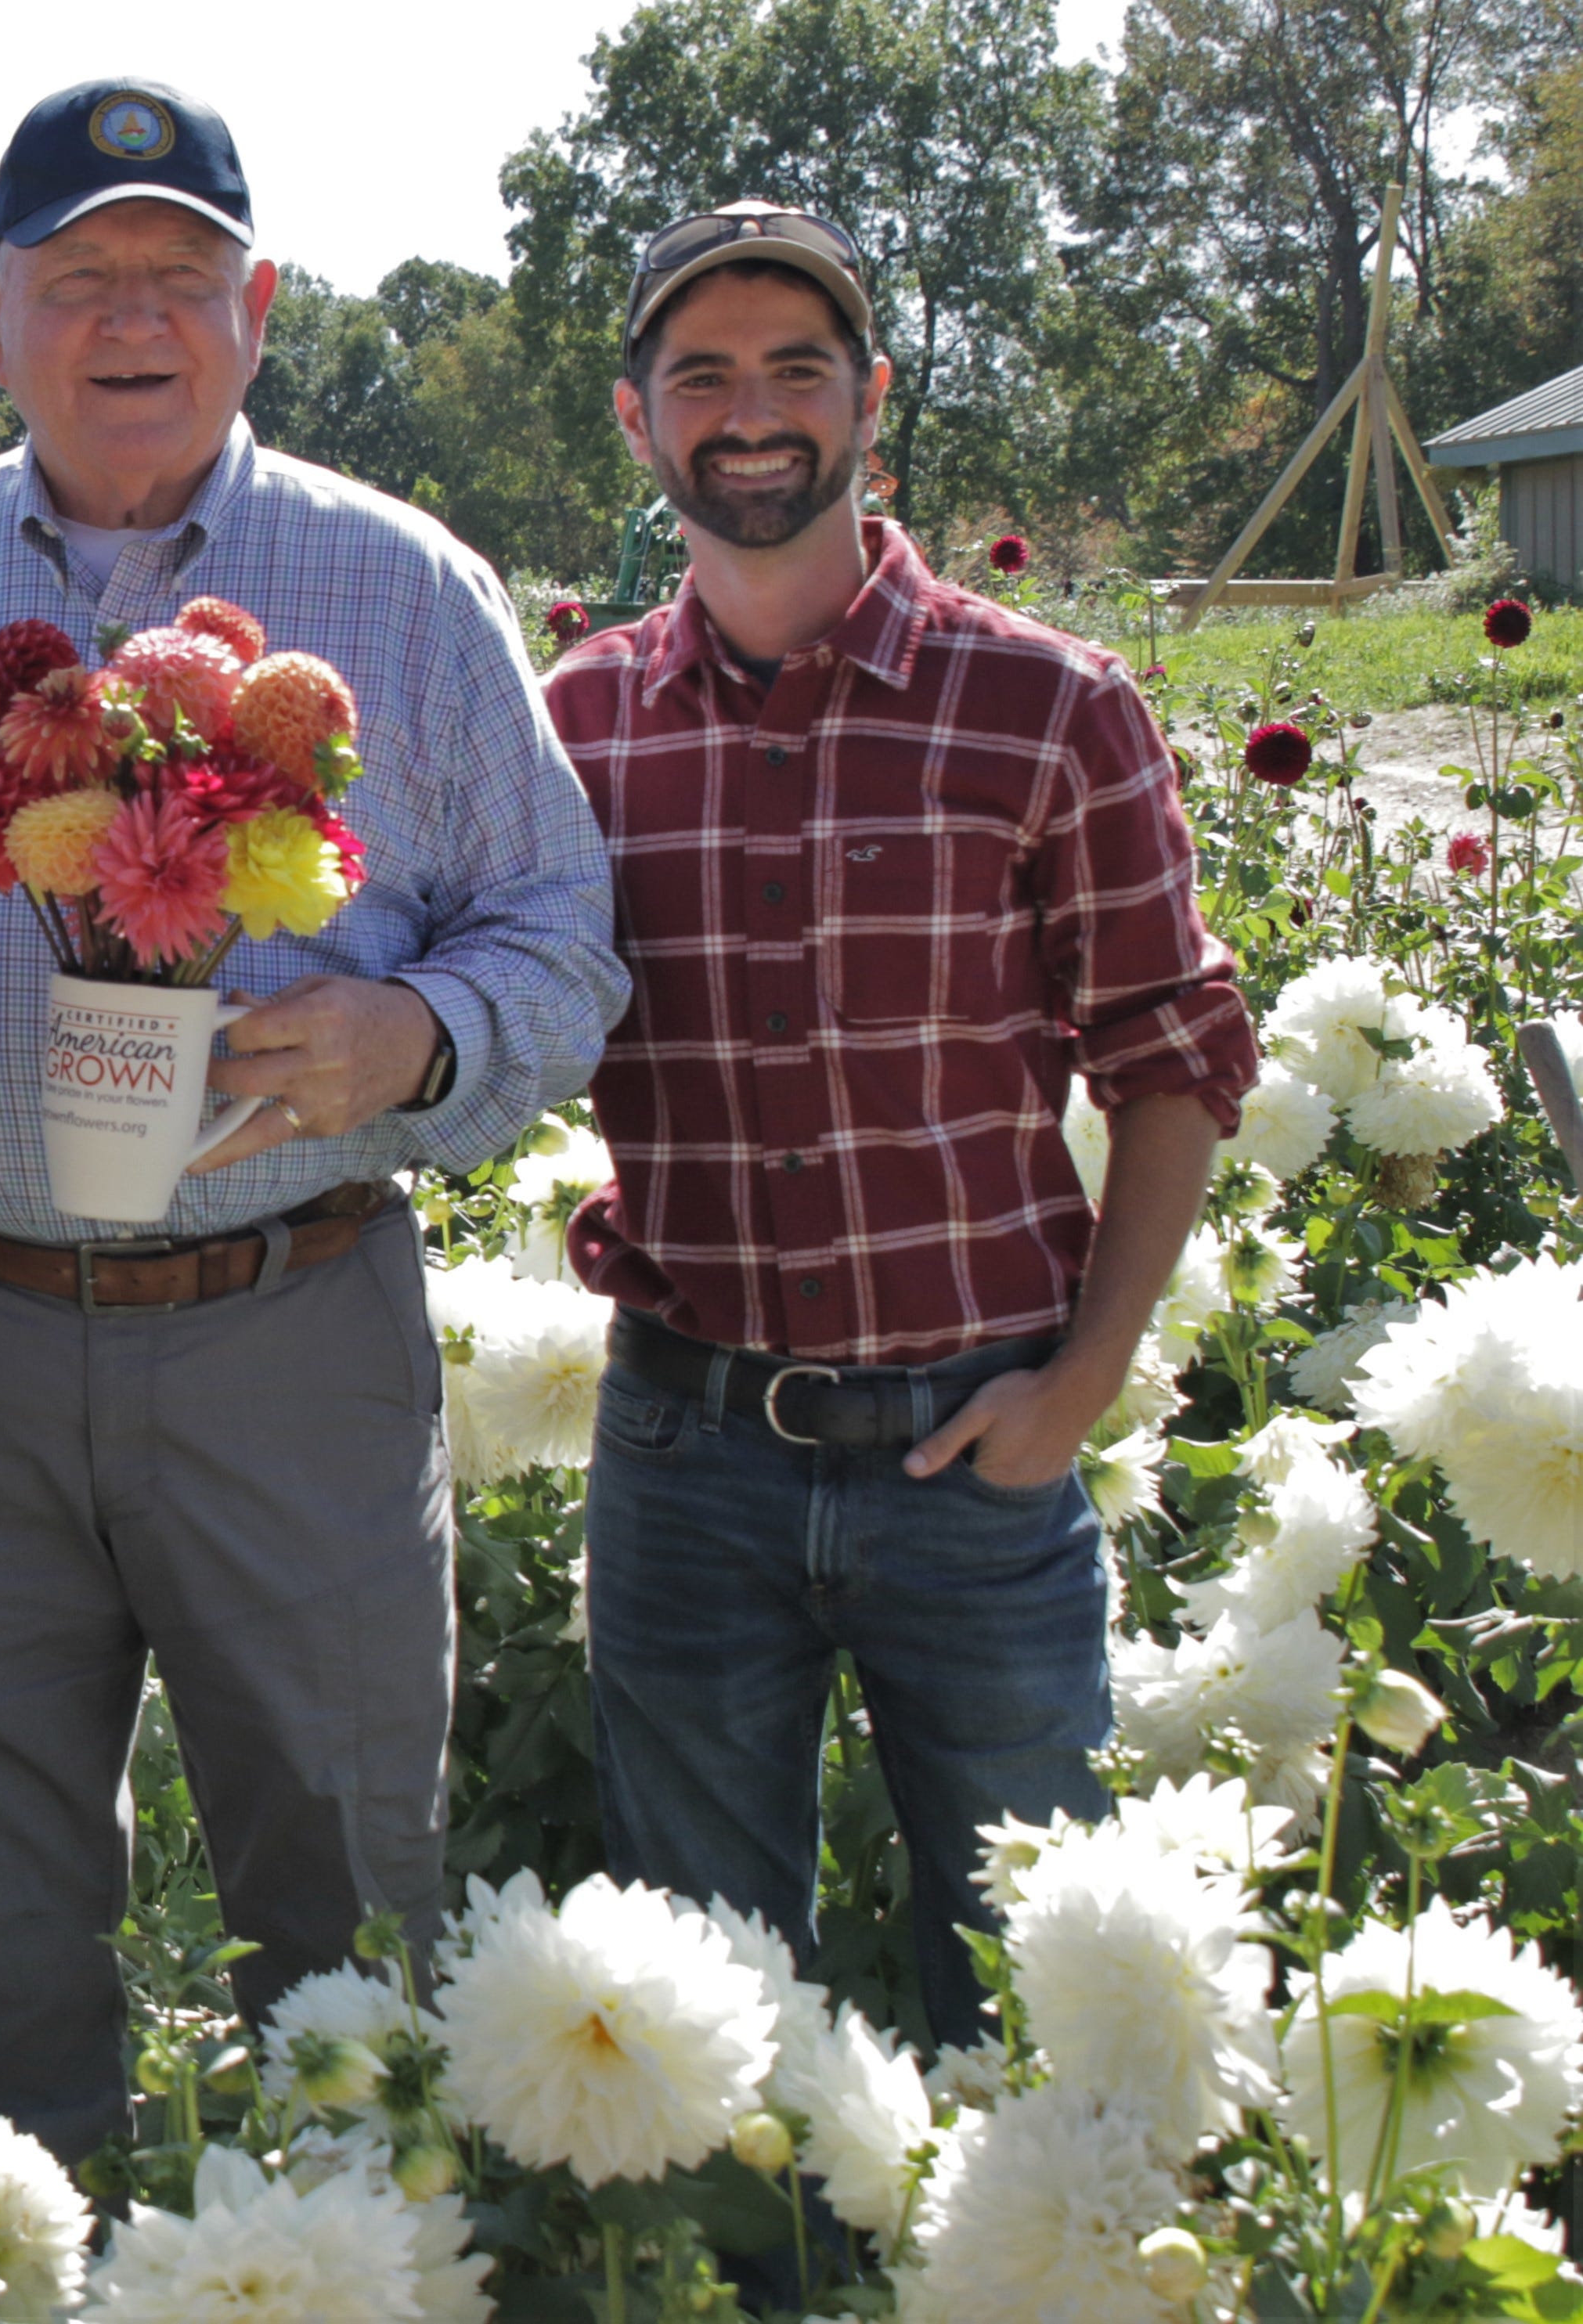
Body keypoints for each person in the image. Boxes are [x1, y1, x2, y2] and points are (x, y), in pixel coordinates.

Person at [0, 78, 630, 2160]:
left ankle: (345, 2255)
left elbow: (566, 940)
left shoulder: (404, 590)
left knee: (344, 1873)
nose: (129, 319)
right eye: (76, 277)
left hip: (288, 1322)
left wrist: (416, 1038)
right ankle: (20, 2250)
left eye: (178, 275)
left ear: (255, 309)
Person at [541, 205, 1249, 2025]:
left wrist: (1082, 1383)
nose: (749, 412)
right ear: (636, 421)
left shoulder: (1043, 708)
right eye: (699, 375)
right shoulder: (575, 733)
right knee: (697, 2013)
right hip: (685, 1459)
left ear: (870, 400)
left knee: (1036, 1994)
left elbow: (1170, 1056)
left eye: (795, 369)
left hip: (973, 1452)